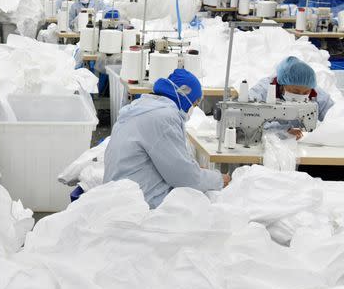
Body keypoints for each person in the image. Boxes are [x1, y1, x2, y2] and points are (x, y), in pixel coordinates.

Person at [104, 68, 229, 208]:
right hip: (139, 204)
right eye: (194, 104)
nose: (192, 110)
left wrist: (191, 167)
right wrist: (218, 179)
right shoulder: (164, 118)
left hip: (119, 194)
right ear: (184, 95)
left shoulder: (142, 107)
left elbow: (172, 161)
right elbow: (185, 177)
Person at [249, 56, 334, 138]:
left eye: (306, 92)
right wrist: (280, 129)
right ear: (282, 84)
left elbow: (334, 115)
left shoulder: (314, 91)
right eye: (295, 91)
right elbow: (249, 117)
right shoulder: (262, 91)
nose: (301, 95)